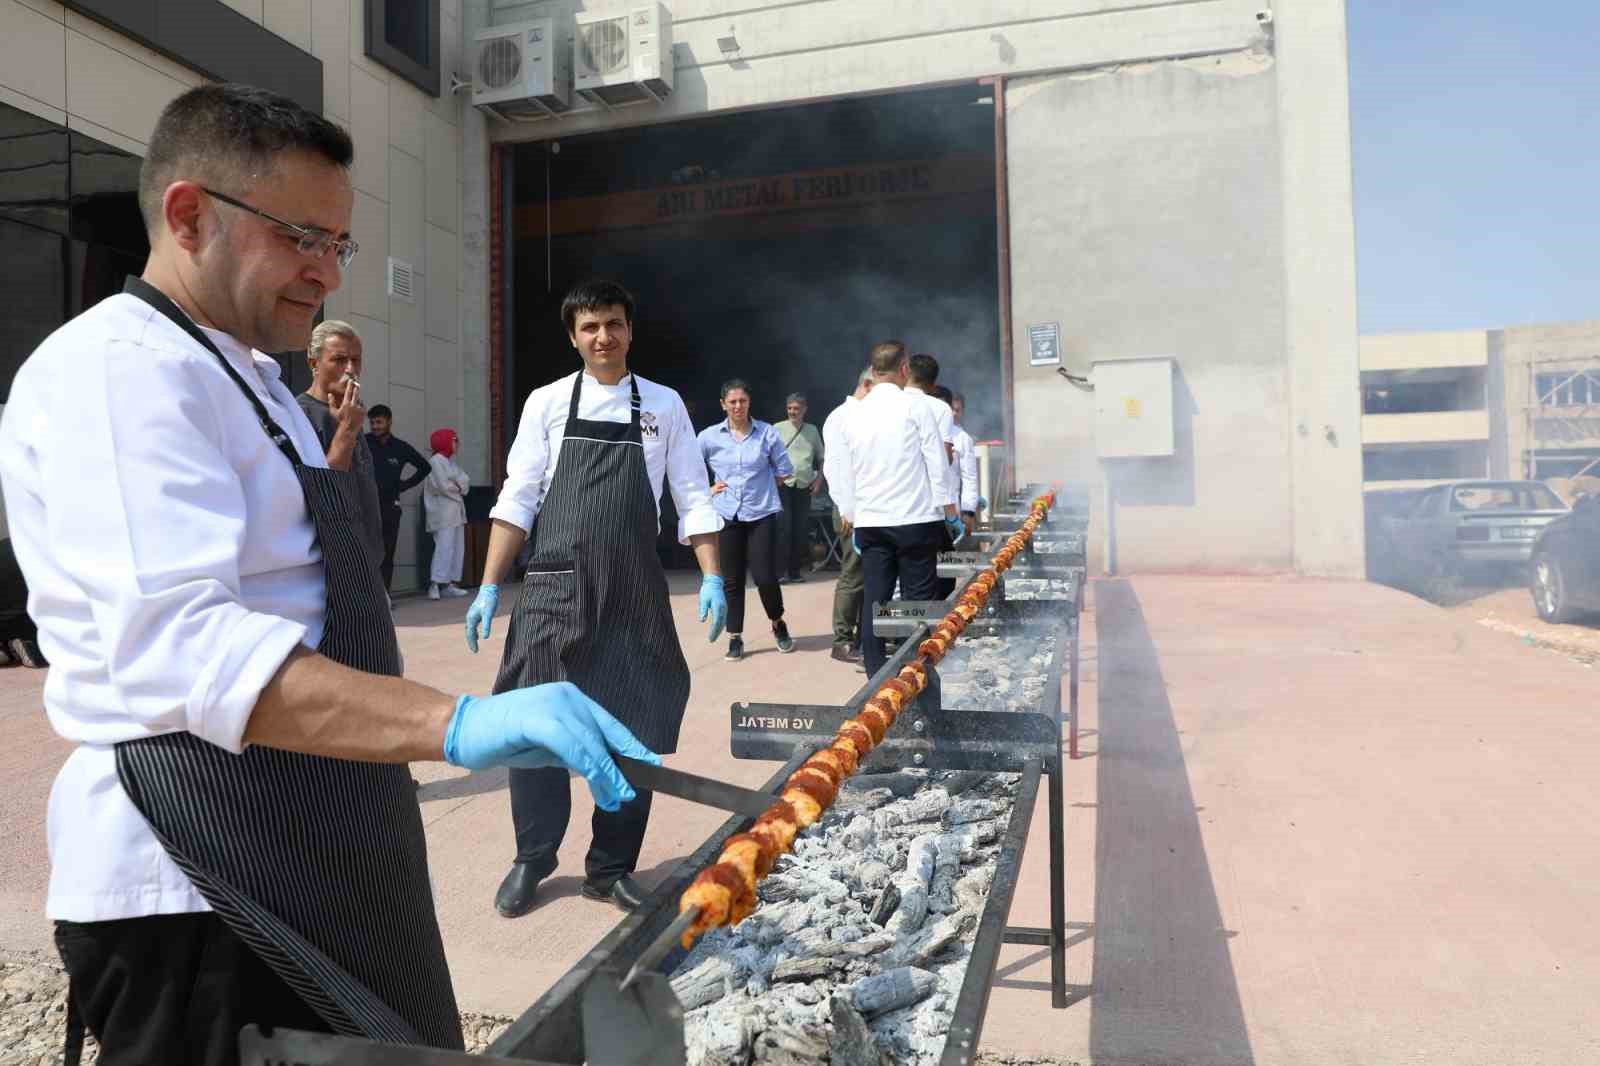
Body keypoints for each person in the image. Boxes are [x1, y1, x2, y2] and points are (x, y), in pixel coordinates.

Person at [0, 82, 655, 1066]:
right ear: (189, 214)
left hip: (302, 836)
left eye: (338, 246)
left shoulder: (245, 371)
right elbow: (182, 647)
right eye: (303, 239)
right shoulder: (121, 372)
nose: (326, 275)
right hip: (198, 880)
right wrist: (458, 722)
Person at [462, 279, 727, 920]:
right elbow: (519, 495)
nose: (602, 336)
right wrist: (490, 585)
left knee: (635, 730)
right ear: (573, 336)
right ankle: (533, 857)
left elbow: (691, 494)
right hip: (554, 584)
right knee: (531, 728)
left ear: (630, 330)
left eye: (612, 324)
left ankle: (610, 870)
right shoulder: (548, 402)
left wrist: (713, 575)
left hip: (635, 589)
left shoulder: (662, 404)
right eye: (589, 327)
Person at [828, 342, 962, 679]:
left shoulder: (852, 413)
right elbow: (936, 462)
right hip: (915, 521)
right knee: (915, 604)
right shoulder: (917, 408)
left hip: (872, 524)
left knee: (877, 602)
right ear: (904, 368)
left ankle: (877, 680)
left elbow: (840, 470)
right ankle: (915, 677)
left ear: (872, 371)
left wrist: (852, 515)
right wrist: (950, 512)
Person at [698, 379, 796, 661]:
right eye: (732, 402)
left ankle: (778, 623)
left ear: (749, 402)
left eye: (742, 401)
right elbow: (688, 467)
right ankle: (735, 637)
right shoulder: (708, 437)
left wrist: (763, 486)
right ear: (723, 405)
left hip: (761, 512)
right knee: (732, 579)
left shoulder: (767, 433)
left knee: (765, 576)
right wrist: (708, 489)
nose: (738, 406)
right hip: (727, 513)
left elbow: (785, 470)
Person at [296, 319, 383, 568]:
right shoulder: (299, 414)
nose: (350, 369)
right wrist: (347, 430)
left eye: (356, 360)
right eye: (339, 360)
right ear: (314, 363)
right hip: (330, 566)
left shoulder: (352, 412)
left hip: (366, 559)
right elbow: (324, 493)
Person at [821, 368, 874, 663]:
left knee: (867, 575)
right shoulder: (841, 417)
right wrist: (847, 509)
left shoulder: (863, 416)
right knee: (853, 576)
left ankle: (860, 637)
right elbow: (836, 468)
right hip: (850, 508)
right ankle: (842, 641)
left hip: (866, 506)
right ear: (866, 385)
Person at [366, 404, 430, 593]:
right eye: (372, 423)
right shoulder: (363, 442)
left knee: (387, 552)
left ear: (389, 422)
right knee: (366, 552)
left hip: (390, 508)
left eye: (379, 422)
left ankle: (384, 595)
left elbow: (425, 467)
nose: (375, 426)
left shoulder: (400, 447)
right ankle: (368, 596)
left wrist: (404, 485)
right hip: (366, 507)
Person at [775, 392, 824, 583]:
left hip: (804, 484)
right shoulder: (777, 428)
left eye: (796, 408)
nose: (793, 412)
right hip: (783, 484)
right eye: (790, 408)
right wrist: (773, 477)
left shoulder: (811, 430)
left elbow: (822, 458)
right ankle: (780, 572)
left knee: (800, 529)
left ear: (804, 410)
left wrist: (819, 480)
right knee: (783, 528)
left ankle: (794, 572)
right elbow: (766, 455)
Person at [424, 428, 472, 599]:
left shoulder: (450, 462)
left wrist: (457, 484)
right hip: (442, 513)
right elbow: (444, 485)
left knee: (456, 547)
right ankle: (435, 584)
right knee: (443, 547)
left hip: (456, 512)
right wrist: (457, 484)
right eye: (454, 440)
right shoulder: (436, 461)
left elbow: (465, 481)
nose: (457, 444)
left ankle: (450, 583)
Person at [948, 390, 982, 531]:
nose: (954, 414)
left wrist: (968, 510)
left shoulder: (963, 438)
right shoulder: (927, 432)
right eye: (951, 409)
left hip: (951, 511)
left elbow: (969, 478)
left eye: (958, 410)